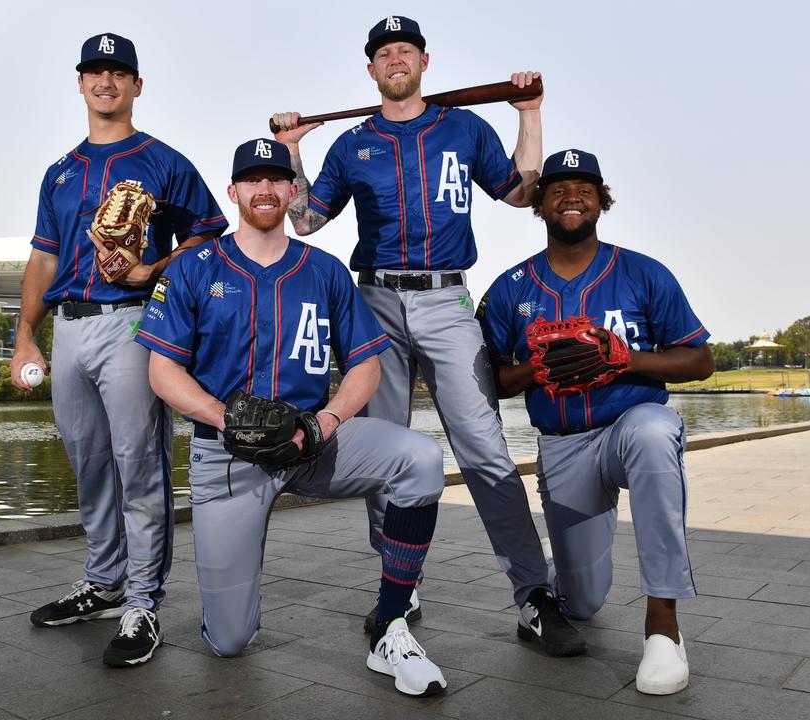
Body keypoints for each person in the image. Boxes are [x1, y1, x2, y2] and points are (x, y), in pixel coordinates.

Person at [270, 15, 584, 655]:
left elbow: (521, 194)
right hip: (374, 302)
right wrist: (294, 149)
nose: (395, 59)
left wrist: (529, 114)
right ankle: (398, 586)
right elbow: (303, 222)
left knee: (486, 452)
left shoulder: (464, 127)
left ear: (424, 60)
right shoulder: (352, 144)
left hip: (446, 299)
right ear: (371, 70)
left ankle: (533, 595)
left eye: (404, 50)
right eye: (383, 53)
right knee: (384, 452)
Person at [138, 138, 448, 697]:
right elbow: (163, 374)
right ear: (233, 192)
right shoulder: (191, 268)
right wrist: (227, 416)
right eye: (252, 180)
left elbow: (365, 370)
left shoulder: (325, 270)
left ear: (291, 190)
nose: (265, 189)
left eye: (276, 179)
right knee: (230, 641)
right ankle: (228, 606)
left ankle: (392, 621)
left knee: (421, 457)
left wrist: (323, 423)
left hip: (312, 443)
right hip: (227, 451)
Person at [12, 32, 227, 668]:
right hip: (69, 325)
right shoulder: (60, 171)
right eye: (95, 71)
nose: (106, 82)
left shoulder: (164, 161)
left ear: (137, 85)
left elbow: (212, 238)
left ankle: (142, 603)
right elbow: (43, 256)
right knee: (89, 464)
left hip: (136, 321)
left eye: (118, 72)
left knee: (140, 462)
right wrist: (25, 332)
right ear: (80, 83)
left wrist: (152, 267)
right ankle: (103, 583)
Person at [477, 148, 714, 695]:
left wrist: (624, 358)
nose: (572, 196)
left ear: (601, 200)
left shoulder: (643, 271)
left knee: (655, 434)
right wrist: (533, 370)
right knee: (582, 602)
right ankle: (558, 588)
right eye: (558, 187)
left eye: (584, 187)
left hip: (630, 423)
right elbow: (490, 379)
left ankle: (664, 626)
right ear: (539, 203)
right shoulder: (511, 287)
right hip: (564, 445)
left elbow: (700, 360)